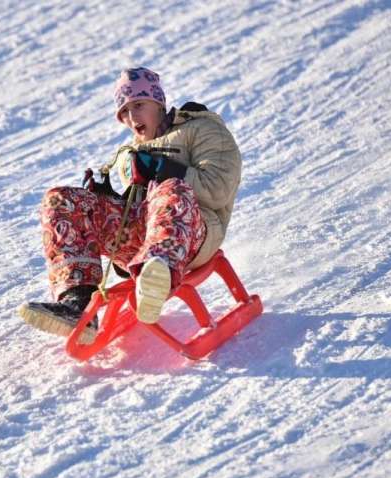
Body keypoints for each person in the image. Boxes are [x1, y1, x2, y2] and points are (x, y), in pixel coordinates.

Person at [19, 67, 242, 343]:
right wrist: (109, 200)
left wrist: (165, 169)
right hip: (145, 239)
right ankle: (78, 303)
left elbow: (218, 188)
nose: (132, 117)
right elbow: (139, 214)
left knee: (170, 190)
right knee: (63, 199)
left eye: (138, 105)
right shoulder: (133, 152)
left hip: (195, 233)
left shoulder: (202, 129)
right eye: (124, 112)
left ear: (158, 103)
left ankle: (157, 272)